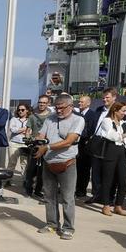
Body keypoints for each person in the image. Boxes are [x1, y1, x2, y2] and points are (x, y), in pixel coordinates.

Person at [35, 93, 84, 239]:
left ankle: (68, 228)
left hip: (67, 163)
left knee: (67, 197)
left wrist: (47, 147)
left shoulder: (78, 120)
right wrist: (36, 141)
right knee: (49, 196)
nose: (59, 111)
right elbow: (41, 135)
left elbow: (69, 141)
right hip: (48, 163)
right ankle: (52, 224)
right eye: (56, 108)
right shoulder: (50, 118)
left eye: (62, 108)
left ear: (71, 106)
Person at [91, 102, 126, 215]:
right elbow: (110, 135)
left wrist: (121, 137)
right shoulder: (107, 121)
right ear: (115, 110)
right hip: (110, 151)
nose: (125, 113)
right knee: (107, 179)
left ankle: (118, 205)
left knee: (123, 180)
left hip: (122, 151)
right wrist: (121, 136)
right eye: (123, 111)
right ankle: (106, 205)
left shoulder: (124, 123)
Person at [77, 87, 117, 198]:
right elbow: (93, 126)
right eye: (103, 98)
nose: (105, 100)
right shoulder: (99, 110)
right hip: (97, 143)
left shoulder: (119, 109)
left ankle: (108, 197)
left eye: (107, 97)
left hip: (111, 144)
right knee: (96, 171)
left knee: (109, 172)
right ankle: (96, 195)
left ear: (114, 97)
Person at [23, 94, 53, 198]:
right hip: (35, 145)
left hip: (47, 146)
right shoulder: (32, 116)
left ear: (48, 103)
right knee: (31, 169)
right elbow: (27, 130)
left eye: (44, 103)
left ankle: (38, 190)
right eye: (40, 102)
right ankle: (28, 189)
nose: (41, 104)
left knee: (43, 170)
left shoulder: (52, 116)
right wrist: (28, 138)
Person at [6, 104, 31, 180]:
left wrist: (20, 130)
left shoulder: (30, 119)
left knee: (24, 163)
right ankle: (8, 179)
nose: (20, 111)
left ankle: (24, 180)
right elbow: (13, 130)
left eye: (22, 110)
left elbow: (31, 131)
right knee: (12, 162)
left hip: (26, 144)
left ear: (27, 110)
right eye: (19, 110)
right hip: (14, 143)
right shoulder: (13, 119)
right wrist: (25, 128)